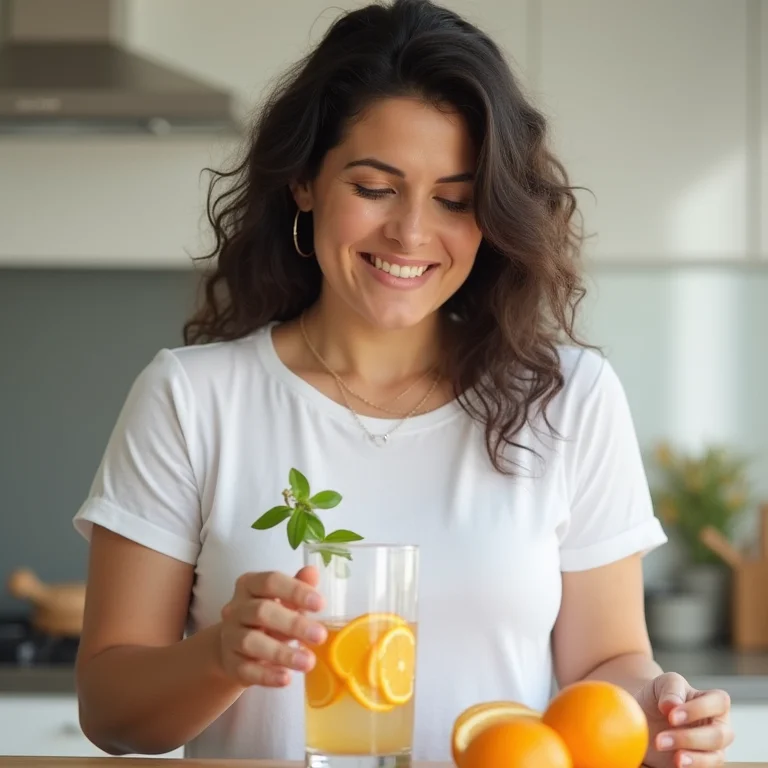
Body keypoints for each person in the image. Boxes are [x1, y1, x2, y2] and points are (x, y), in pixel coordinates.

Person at [71, 0, 733, 765]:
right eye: (376, 188)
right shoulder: (192, 401)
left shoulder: (569, 400)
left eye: (454, 200)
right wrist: (222, 654)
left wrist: (659, 708)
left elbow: (606, 666)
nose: (412, 234)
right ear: (304, 182)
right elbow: (110, 710)